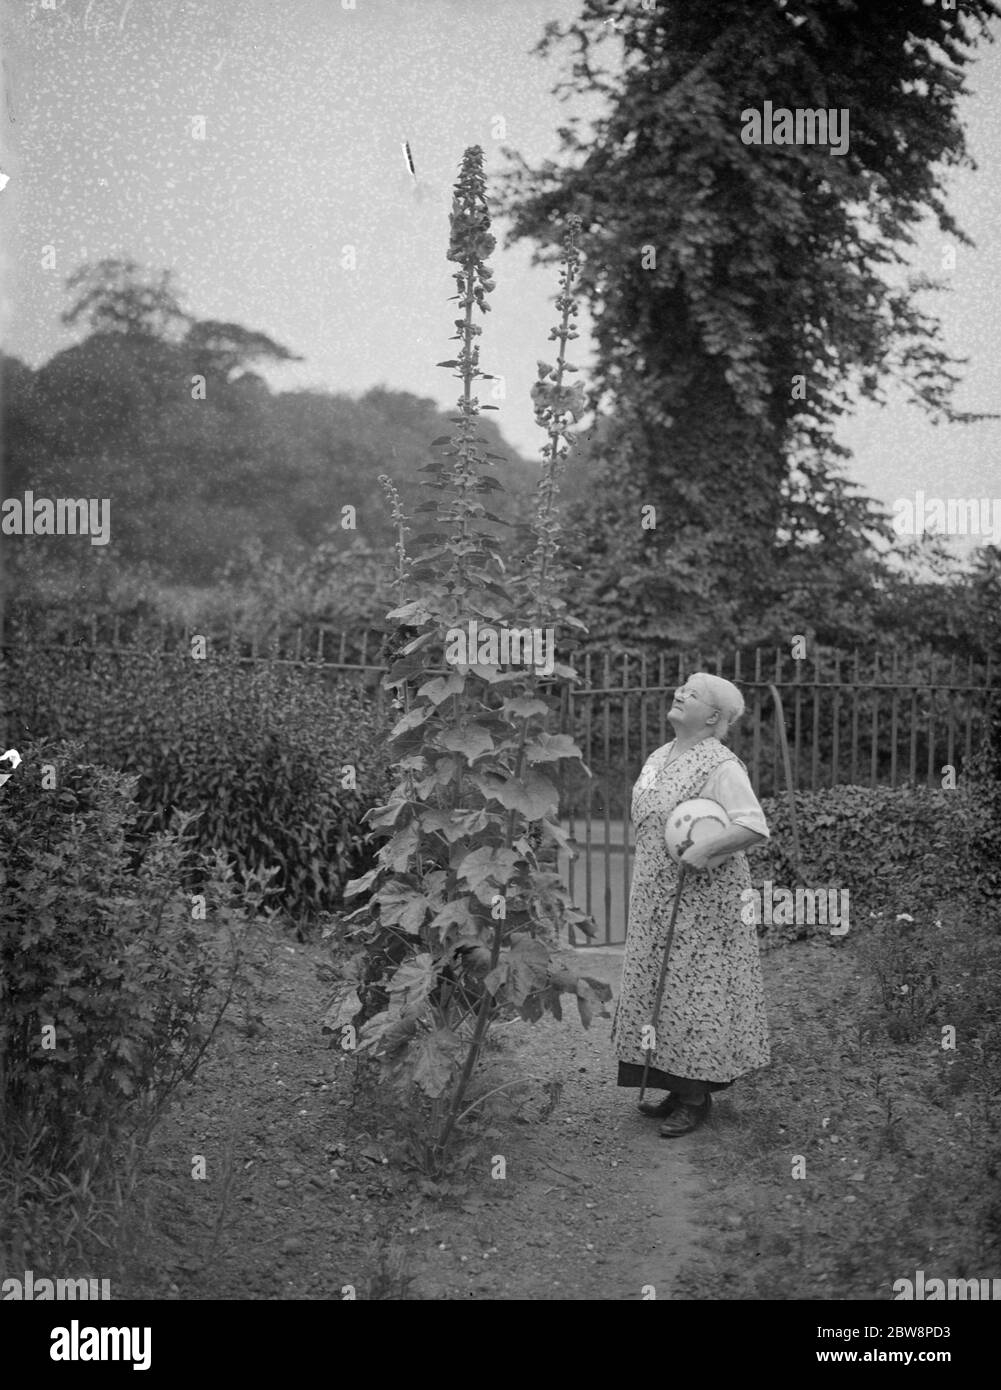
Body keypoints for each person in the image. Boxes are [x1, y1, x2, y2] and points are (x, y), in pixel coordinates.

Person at [610, 672, 770, 1137]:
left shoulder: (721, 765)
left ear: (714, 716)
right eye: (681, 686)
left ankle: (696, 1098)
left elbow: (754, 826)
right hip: (654, 899)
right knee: (660, 992)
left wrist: (703, 850)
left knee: (696, 994)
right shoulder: (660, 756)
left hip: (703, 905)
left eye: (693, 693)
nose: (680, 692)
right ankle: (674, 1086)